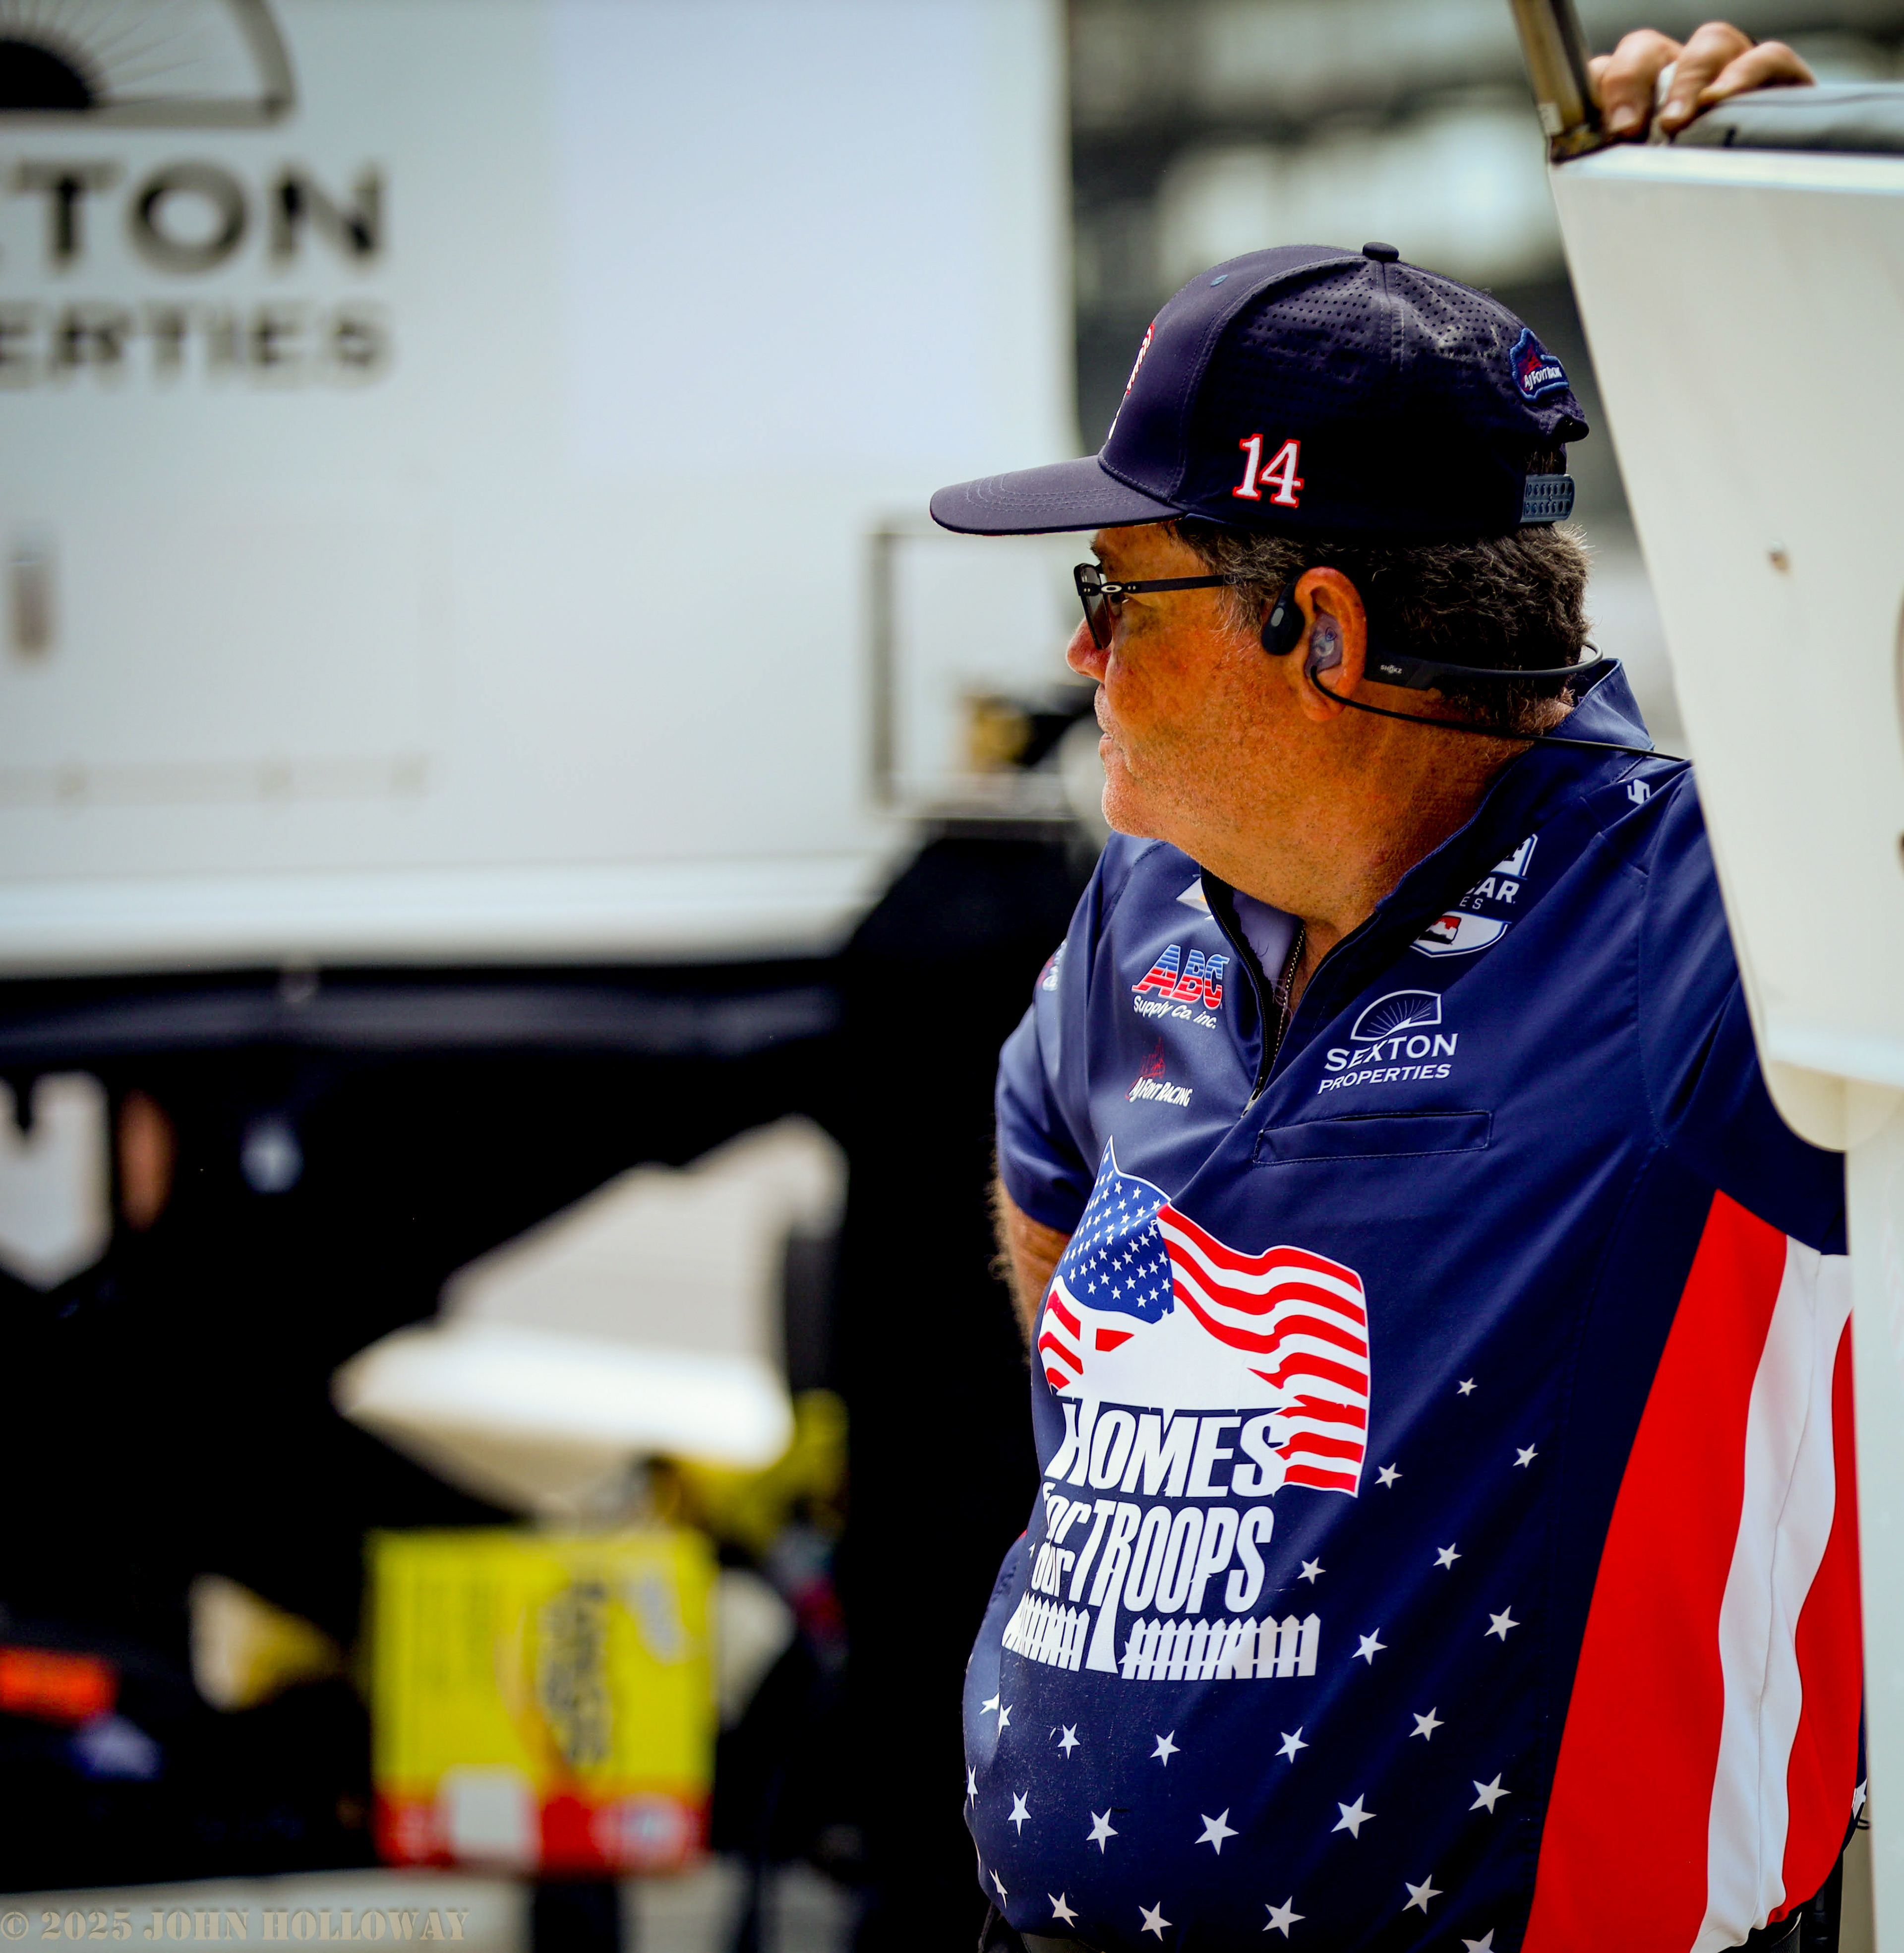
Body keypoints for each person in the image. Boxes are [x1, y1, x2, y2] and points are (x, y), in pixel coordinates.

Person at [928, 25, 1848, 1953]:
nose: (1079, 656)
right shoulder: (1145, 908)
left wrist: (1803, 272)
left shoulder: (1712, 911)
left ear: (1320, 629)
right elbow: (1046, 1189)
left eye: (1114, 592)